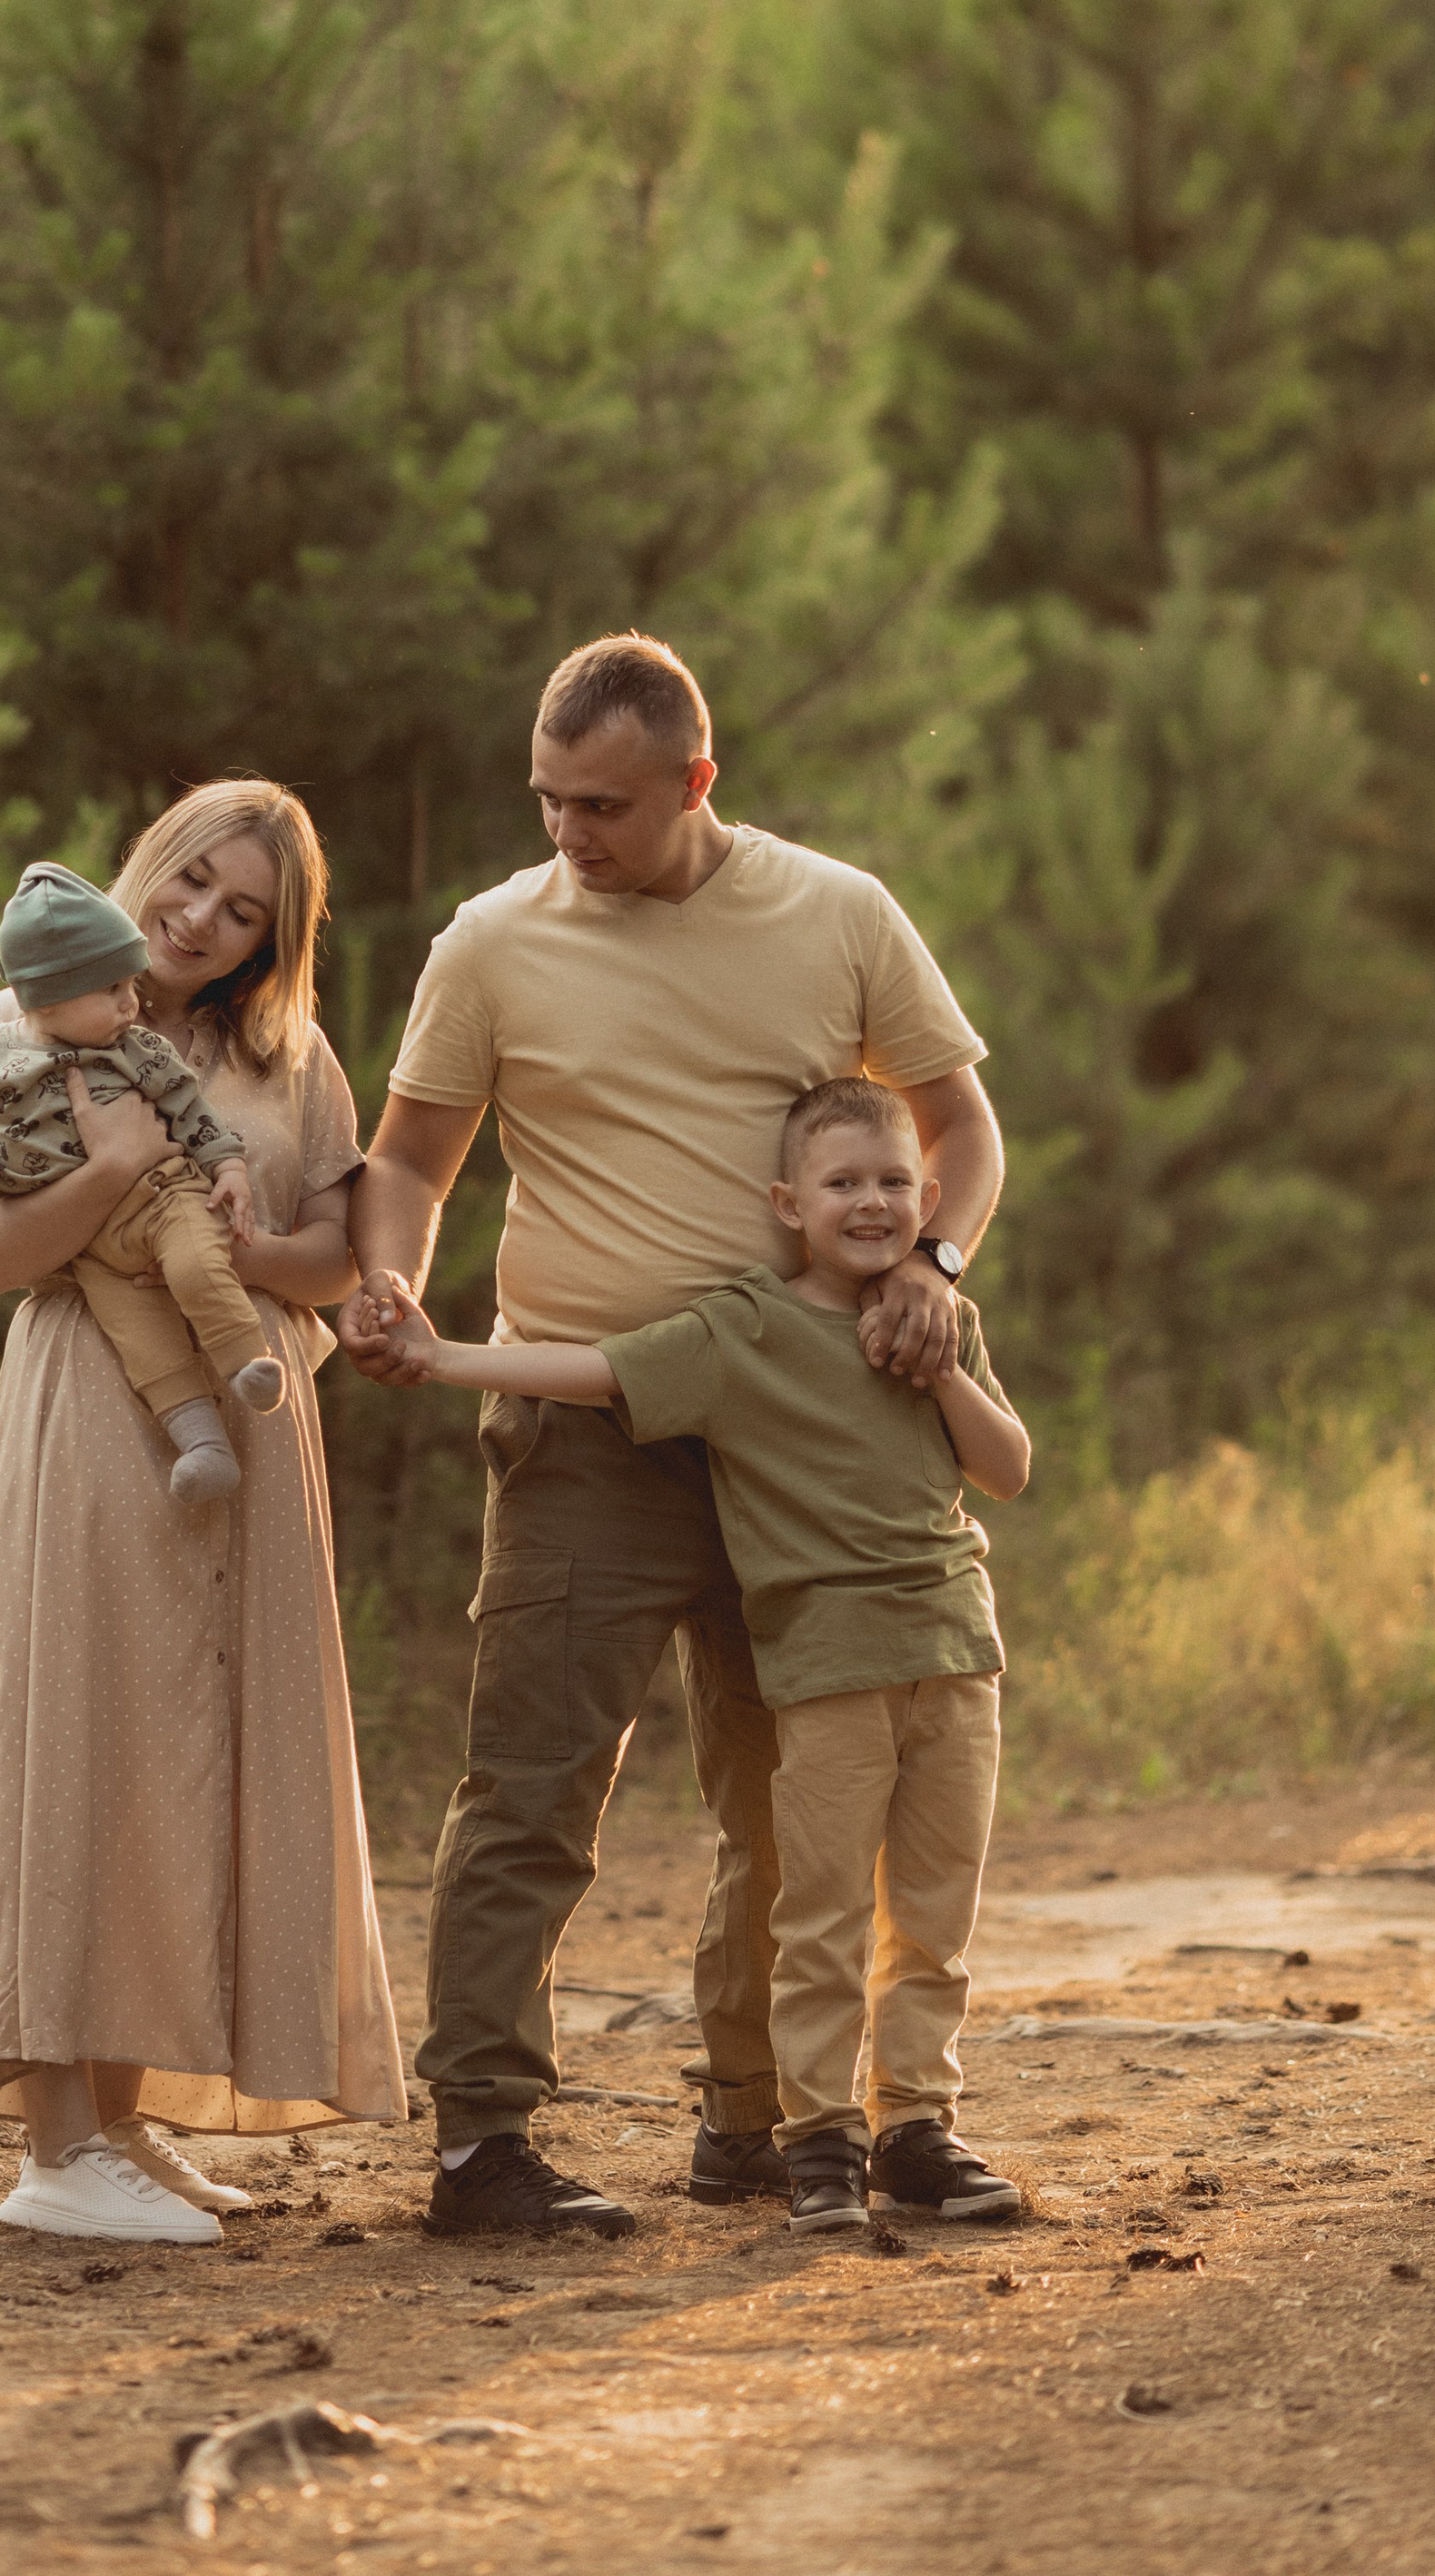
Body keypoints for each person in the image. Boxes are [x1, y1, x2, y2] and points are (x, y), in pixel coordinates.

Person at [339, 629, 1004, 2242]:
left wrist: (932, 1264)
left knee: (791, 1804)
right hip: (586, 1434)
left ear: (697, 781)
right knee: (531, 1787)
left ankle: (758, 2119)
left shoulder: (838, 913)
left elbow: (962, 1129)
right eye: (549, 799)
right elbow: (411, 1161)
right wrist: (390, 1279)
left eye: (606, 806)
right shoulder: (494, 942)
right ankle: (482, 2142)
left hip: (803, 1439)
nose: (569, 833)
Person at [373, 1075, 1030, 2235]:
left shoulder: (940, 1320)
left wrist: (940, 1363)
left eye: (892, 1182)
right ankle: (817, 2138)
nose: (870, 1203)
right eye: (841, 1182)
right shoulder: (745, 1331)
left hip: (955, 1650)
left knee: (933, 1920)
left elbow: (1008, 1467)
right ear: (787, 1204)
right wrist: (443, 1358)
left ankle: (917, 2126)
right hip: (827, 1667)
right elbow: (599, 1370)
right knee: (821, 1912)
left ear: (927, 1199)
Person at [0, 779, 405, 2249]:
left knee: (184, 1766)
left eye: (244, 910)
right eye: (192, 880)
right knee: (82, 1747)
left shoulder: (292, 1063)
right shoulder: (17, 1023)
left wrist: (254, 1251)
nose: (202, 919)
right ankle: (55, 2147)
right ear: (149, 864)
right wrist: (121, 1172)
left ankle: (123, 2126)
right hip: (89, 1412)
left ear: (275, 940)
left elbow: (335, 1259)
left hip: (249, 1425)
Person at [0, 859, 286, 1506]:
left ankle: (247, 1362)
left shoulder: (134, 1048)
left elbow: (190, 1111)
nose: (132, 1003)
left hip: (165, 1198)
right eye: (112, 989)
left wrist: (229, 1167)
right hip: (91, 1249)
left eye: (130, 983)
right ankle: (204, 1446)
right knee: (144, 1344)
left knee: (196, 1265)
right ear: (47, 996)